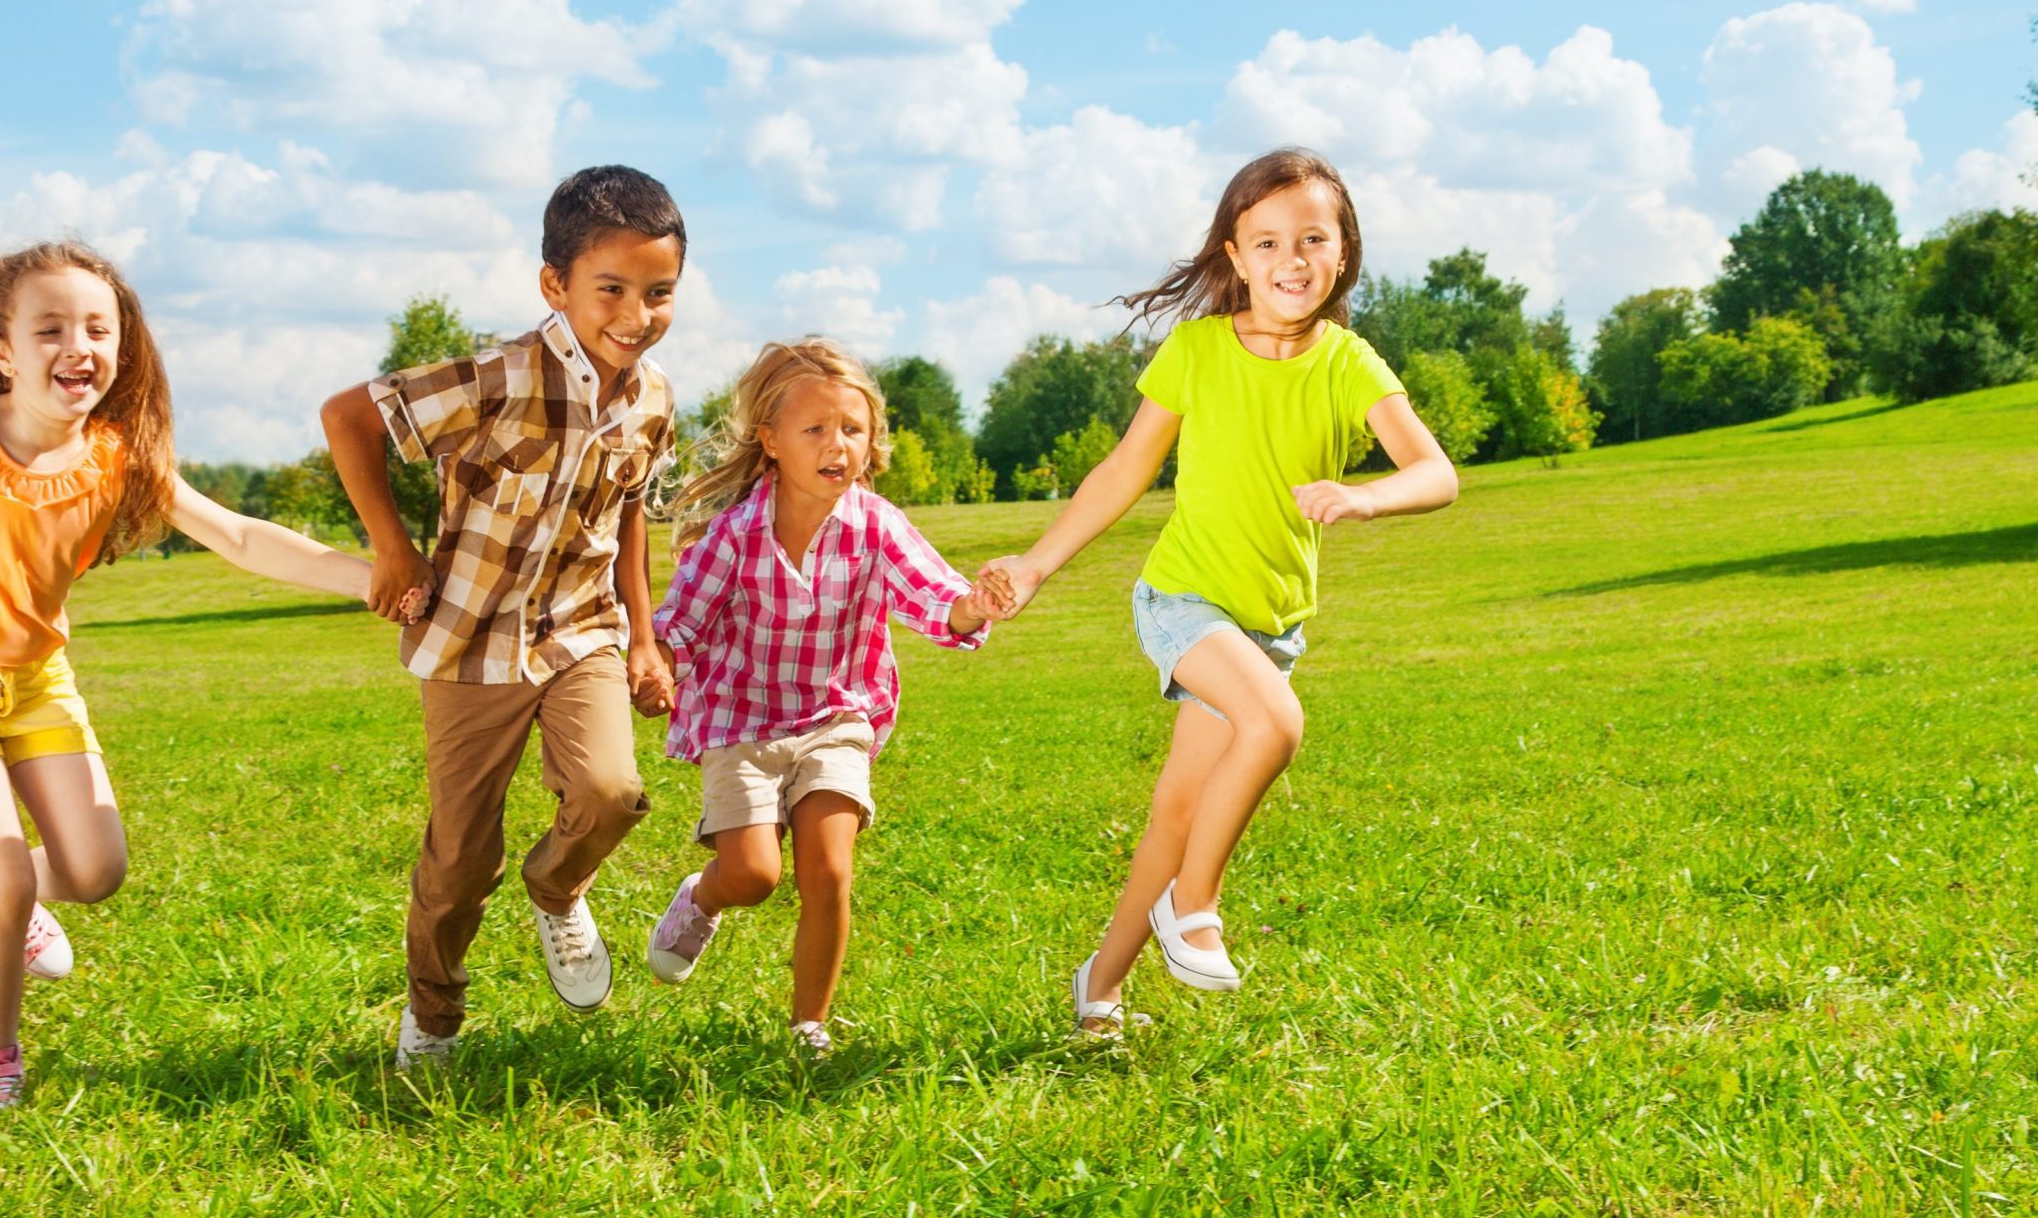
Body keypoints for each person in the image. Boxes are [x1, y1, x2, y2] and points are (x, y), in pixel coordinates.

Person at [0, 242, 411, 1108]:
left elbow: (240, 537)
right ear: (4, 351)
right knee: (13, 880)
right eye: (50, 327)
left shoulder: (116, 457)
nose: (79, 345)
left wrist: (377, 575)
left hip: (36, 685)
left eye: (99, 328)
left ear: (121, 347)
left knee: (94, 872)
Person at [977, 148, 1460, 1037]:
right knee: (1275, 725)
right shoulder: (1197, 349)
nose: (1292, 258)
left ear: (1343, 251)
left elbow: (1436, 472)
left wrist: (1363, 495)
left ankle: (1101, 986)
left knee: (1177, 811)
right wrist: (1038, 564)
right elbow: (1125, 470)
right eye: (1267, 240)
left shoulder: (1351, 363)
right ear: (1235, 257)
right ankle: (1191, 904)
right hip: (1184, 601)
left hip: (1269, 624)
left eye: (1313, 237)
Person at [318, 165, 684, 1071]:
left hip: (580, 628)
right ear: (554, 284)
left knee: (611, 792)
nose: (635, 314)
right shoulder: (497, 375)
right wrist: (393, 547)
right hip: (469, 638)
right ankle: (434, 1017)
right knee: (458, 862)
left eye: (659, 292)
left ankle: (557, 888)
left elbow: (628, 515)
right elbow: (348, 417)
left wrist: (641, 637)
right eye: (612, 289)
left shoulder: (654, 401)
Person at [642, 338, 998, 1059]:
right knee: (754, 873)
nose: (838, 445)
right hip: (741, 721)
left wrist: (972, 605)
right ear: (770, 441)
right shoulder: (734, 535)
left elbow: (934, 595)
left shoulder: (874, 524)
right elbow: (680, 621)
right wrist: (655, 663)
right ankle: (703, 897)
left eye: (853, 429)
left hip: (837, 715)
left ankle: (809, 1023)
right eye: (816, 429)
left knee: (830, 869)